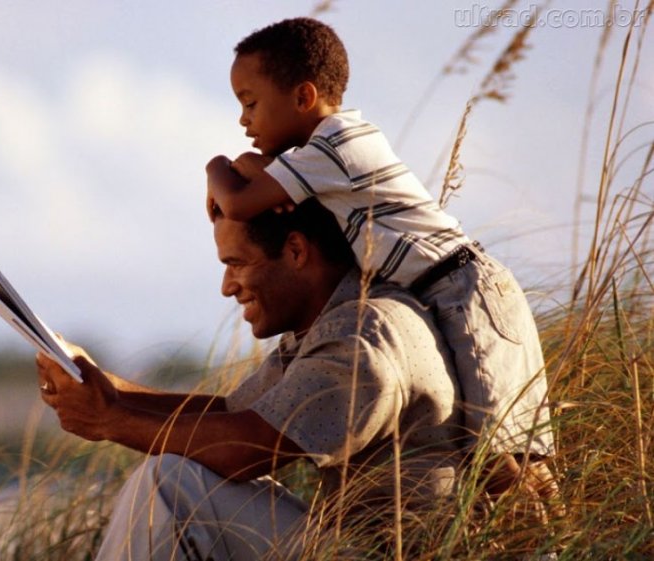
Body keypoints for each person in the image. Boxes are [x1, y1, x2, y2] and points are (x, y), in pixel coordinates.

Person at [36, 199, 468, 560]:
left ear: (297, 251)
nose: (227, 286)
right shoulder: (329, 325)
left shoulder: (362, 340)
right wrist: (109, 390)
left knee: (171, 483)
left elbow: (244, 450)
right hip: (352, 547)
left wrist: (109, 421)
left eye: (236, 263)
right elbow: (231, 414)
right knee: (173, 476)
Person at [204, 17, 553, 461]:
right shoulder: (334, 147)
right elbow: (258, 180)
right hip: (453, 288)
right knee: (502, 453)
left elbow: (238, 203)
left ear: (303, 96)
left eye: (250, 103)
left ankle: (557, 527)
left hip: (465, 292)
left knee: (503, 458)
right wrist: (250, 170)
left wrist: (214, 166)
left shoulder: (332, 148)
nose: (243, 119)